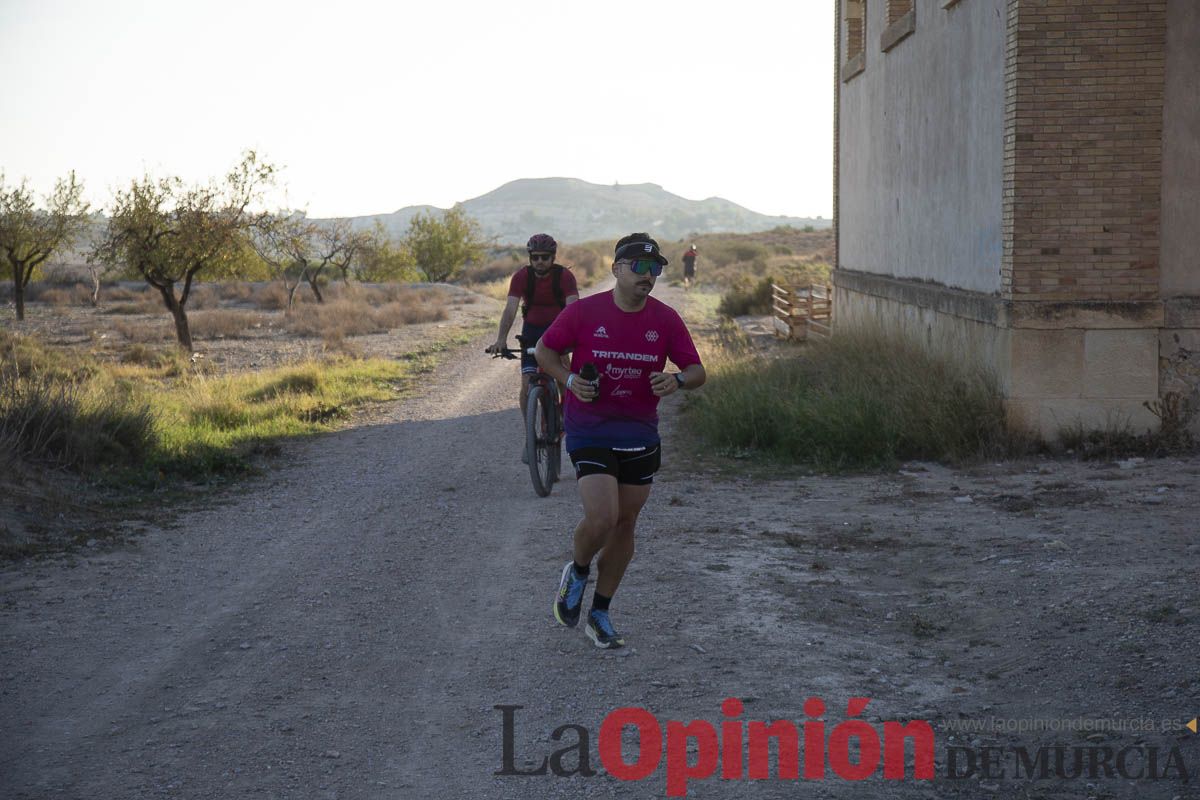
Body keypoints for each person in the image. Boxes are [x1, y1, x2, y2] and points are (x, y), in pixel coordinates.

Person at [536, 232, 706, 648]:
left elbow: (697, 371)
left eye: (655, 268)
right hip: (590, 429)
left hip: (639, 432)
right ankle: (578, 571)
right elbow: (544, 351)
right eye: (639, 267)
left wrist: (677, 380)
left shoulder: (665, 320)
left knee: (626, 523)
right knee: (603, 518)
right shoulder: (585, 312)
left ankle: (600, 613)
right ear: (616, 269)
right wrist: (570, 381)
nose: (648, 275)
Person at [486, 233, 579, 456]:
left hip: (558, 330)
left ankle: (566, 416)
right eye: (535, 257)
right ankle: (530, 435)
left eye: (544, 257)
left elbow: (573, 309)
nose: (539, 261)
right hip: (531, 332)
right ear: (530, 257)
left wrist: (572, 338)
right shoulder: (521, 277)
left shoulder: (564, 276)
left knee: (563, 376)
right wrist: (501, 339)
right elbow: (510, 309)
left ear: (552, 257)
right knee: (527, 384)